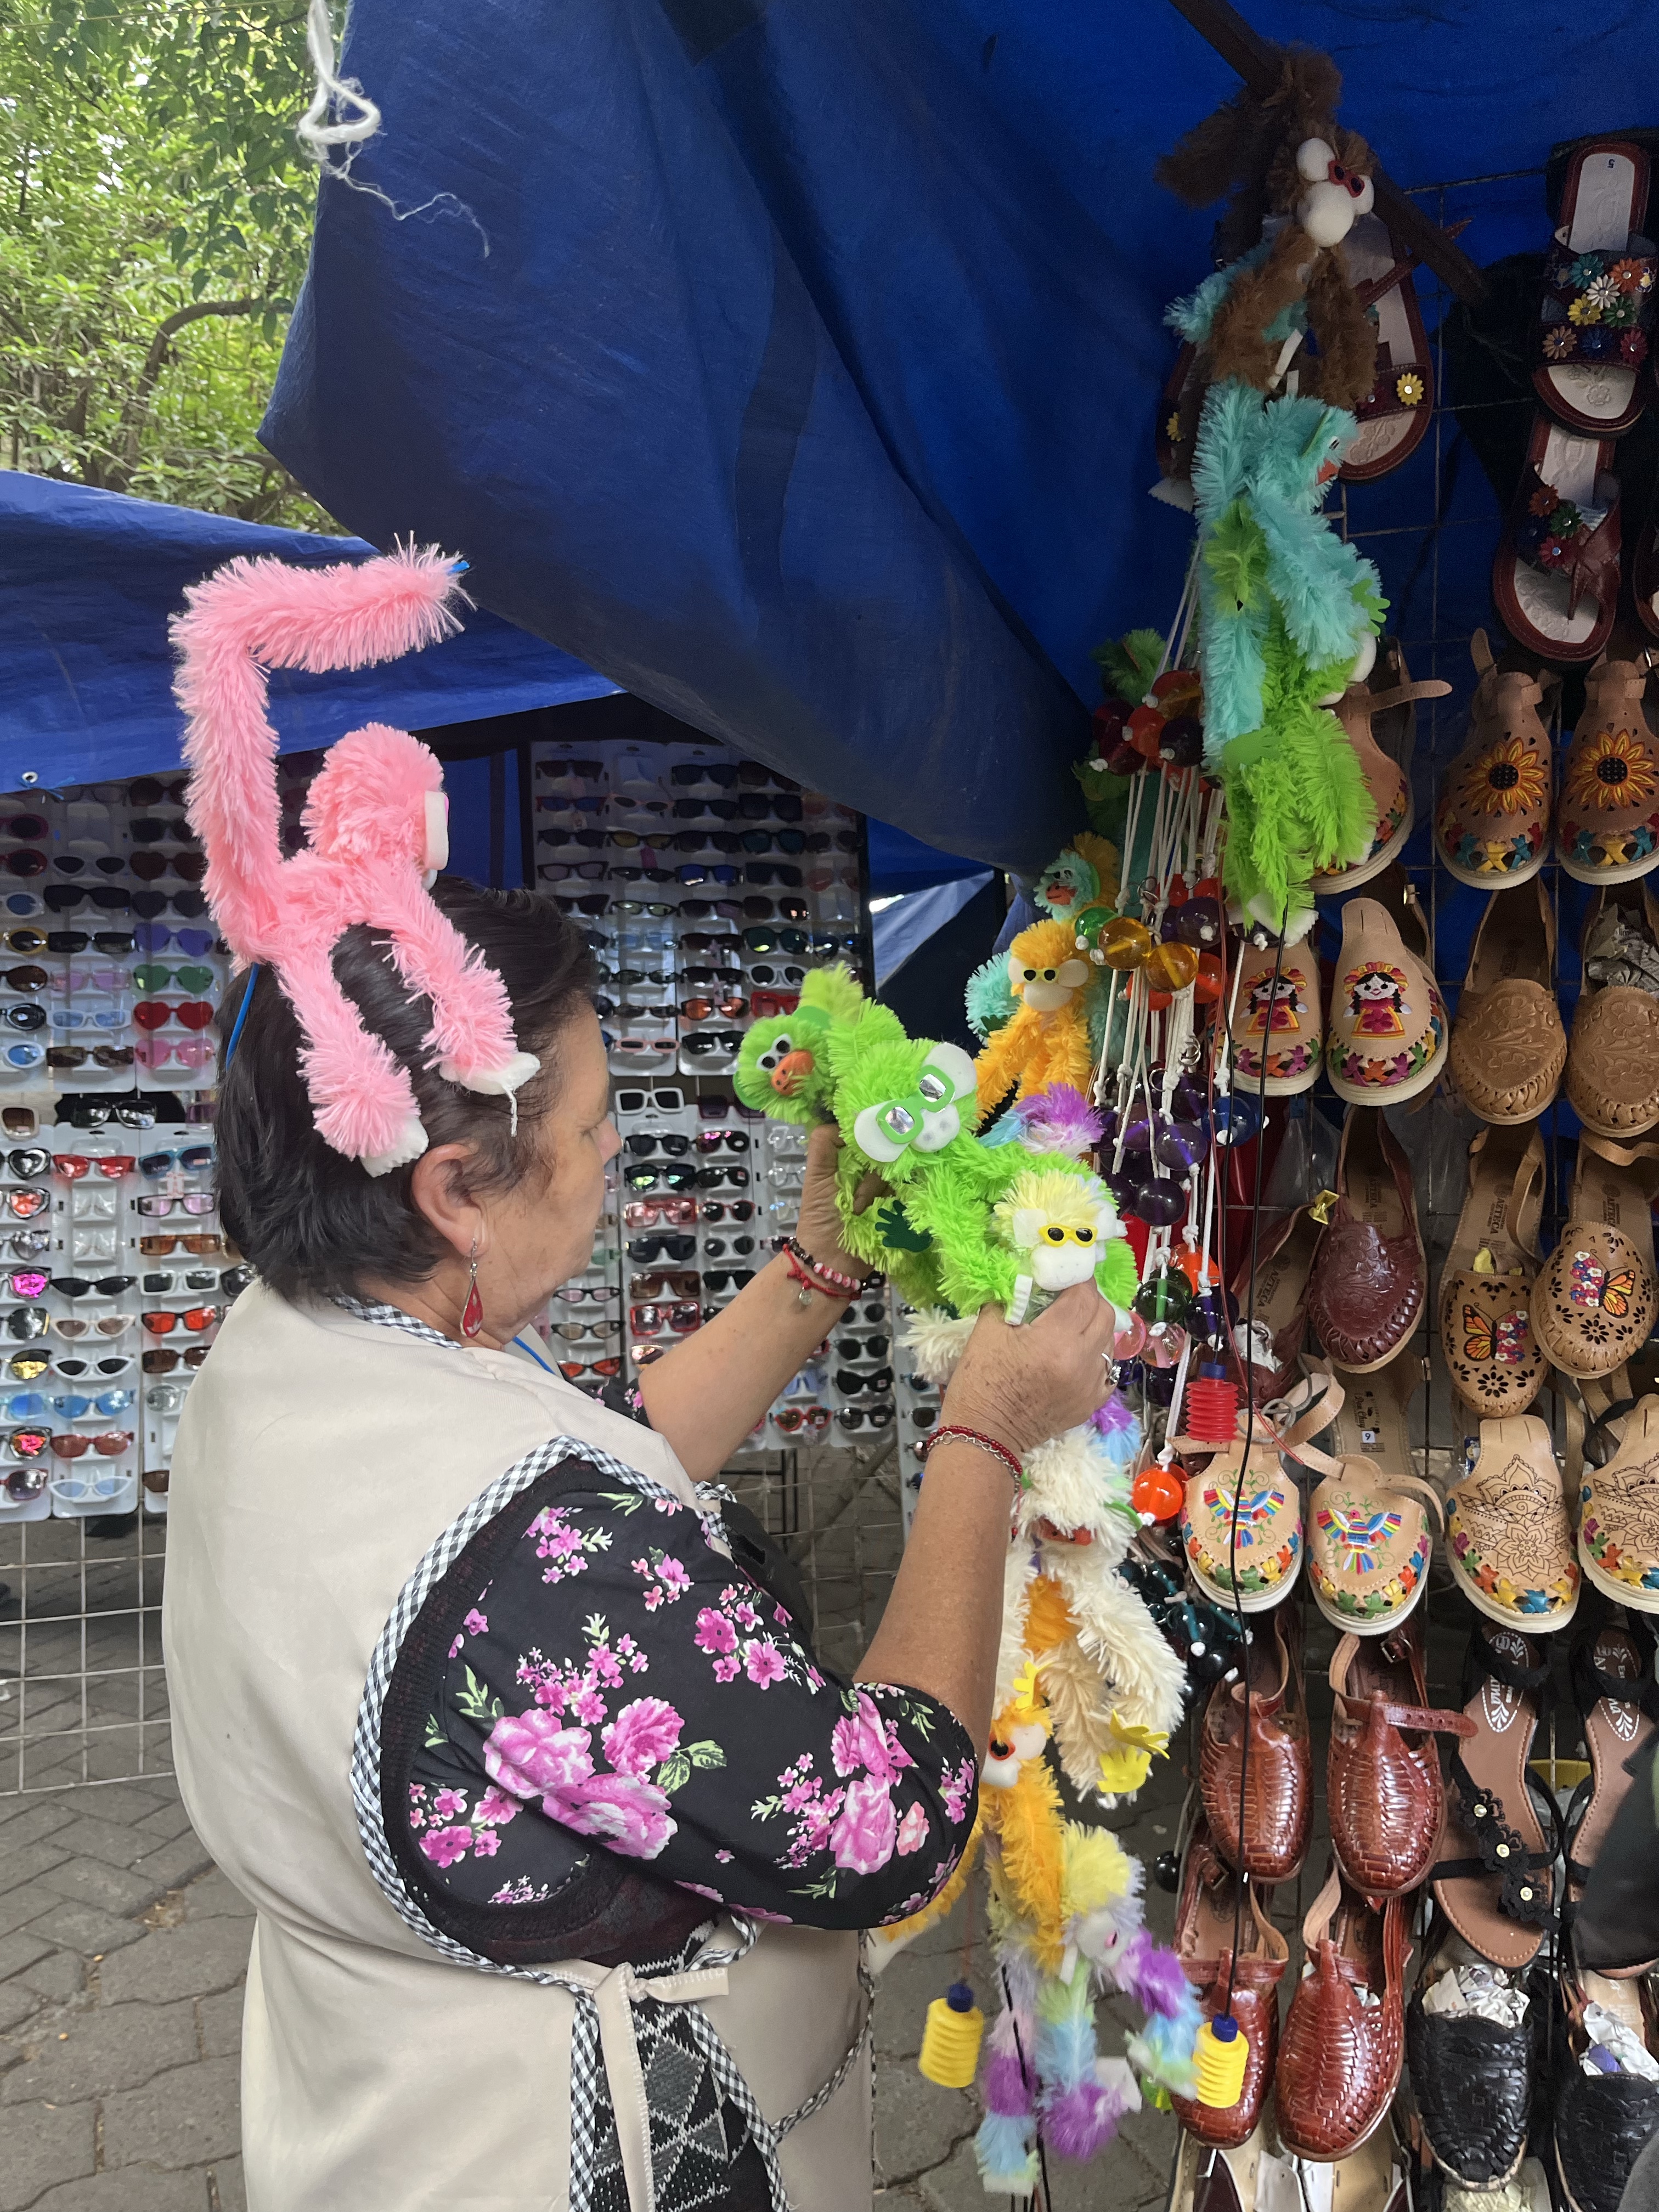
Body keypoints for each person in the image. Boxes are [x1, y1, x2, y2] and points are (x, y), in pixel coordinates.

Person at [162, 877, 1118, 2212]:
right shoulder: (528, 1562)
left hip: (365, 2104)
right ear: (455, 1189)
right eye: (594, 1121)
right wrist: (986, 1429)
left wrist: (818, 1264)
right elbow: (886, 1820)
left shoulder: (296, 1343)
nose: (616, 1145)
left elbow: (603, 1457)